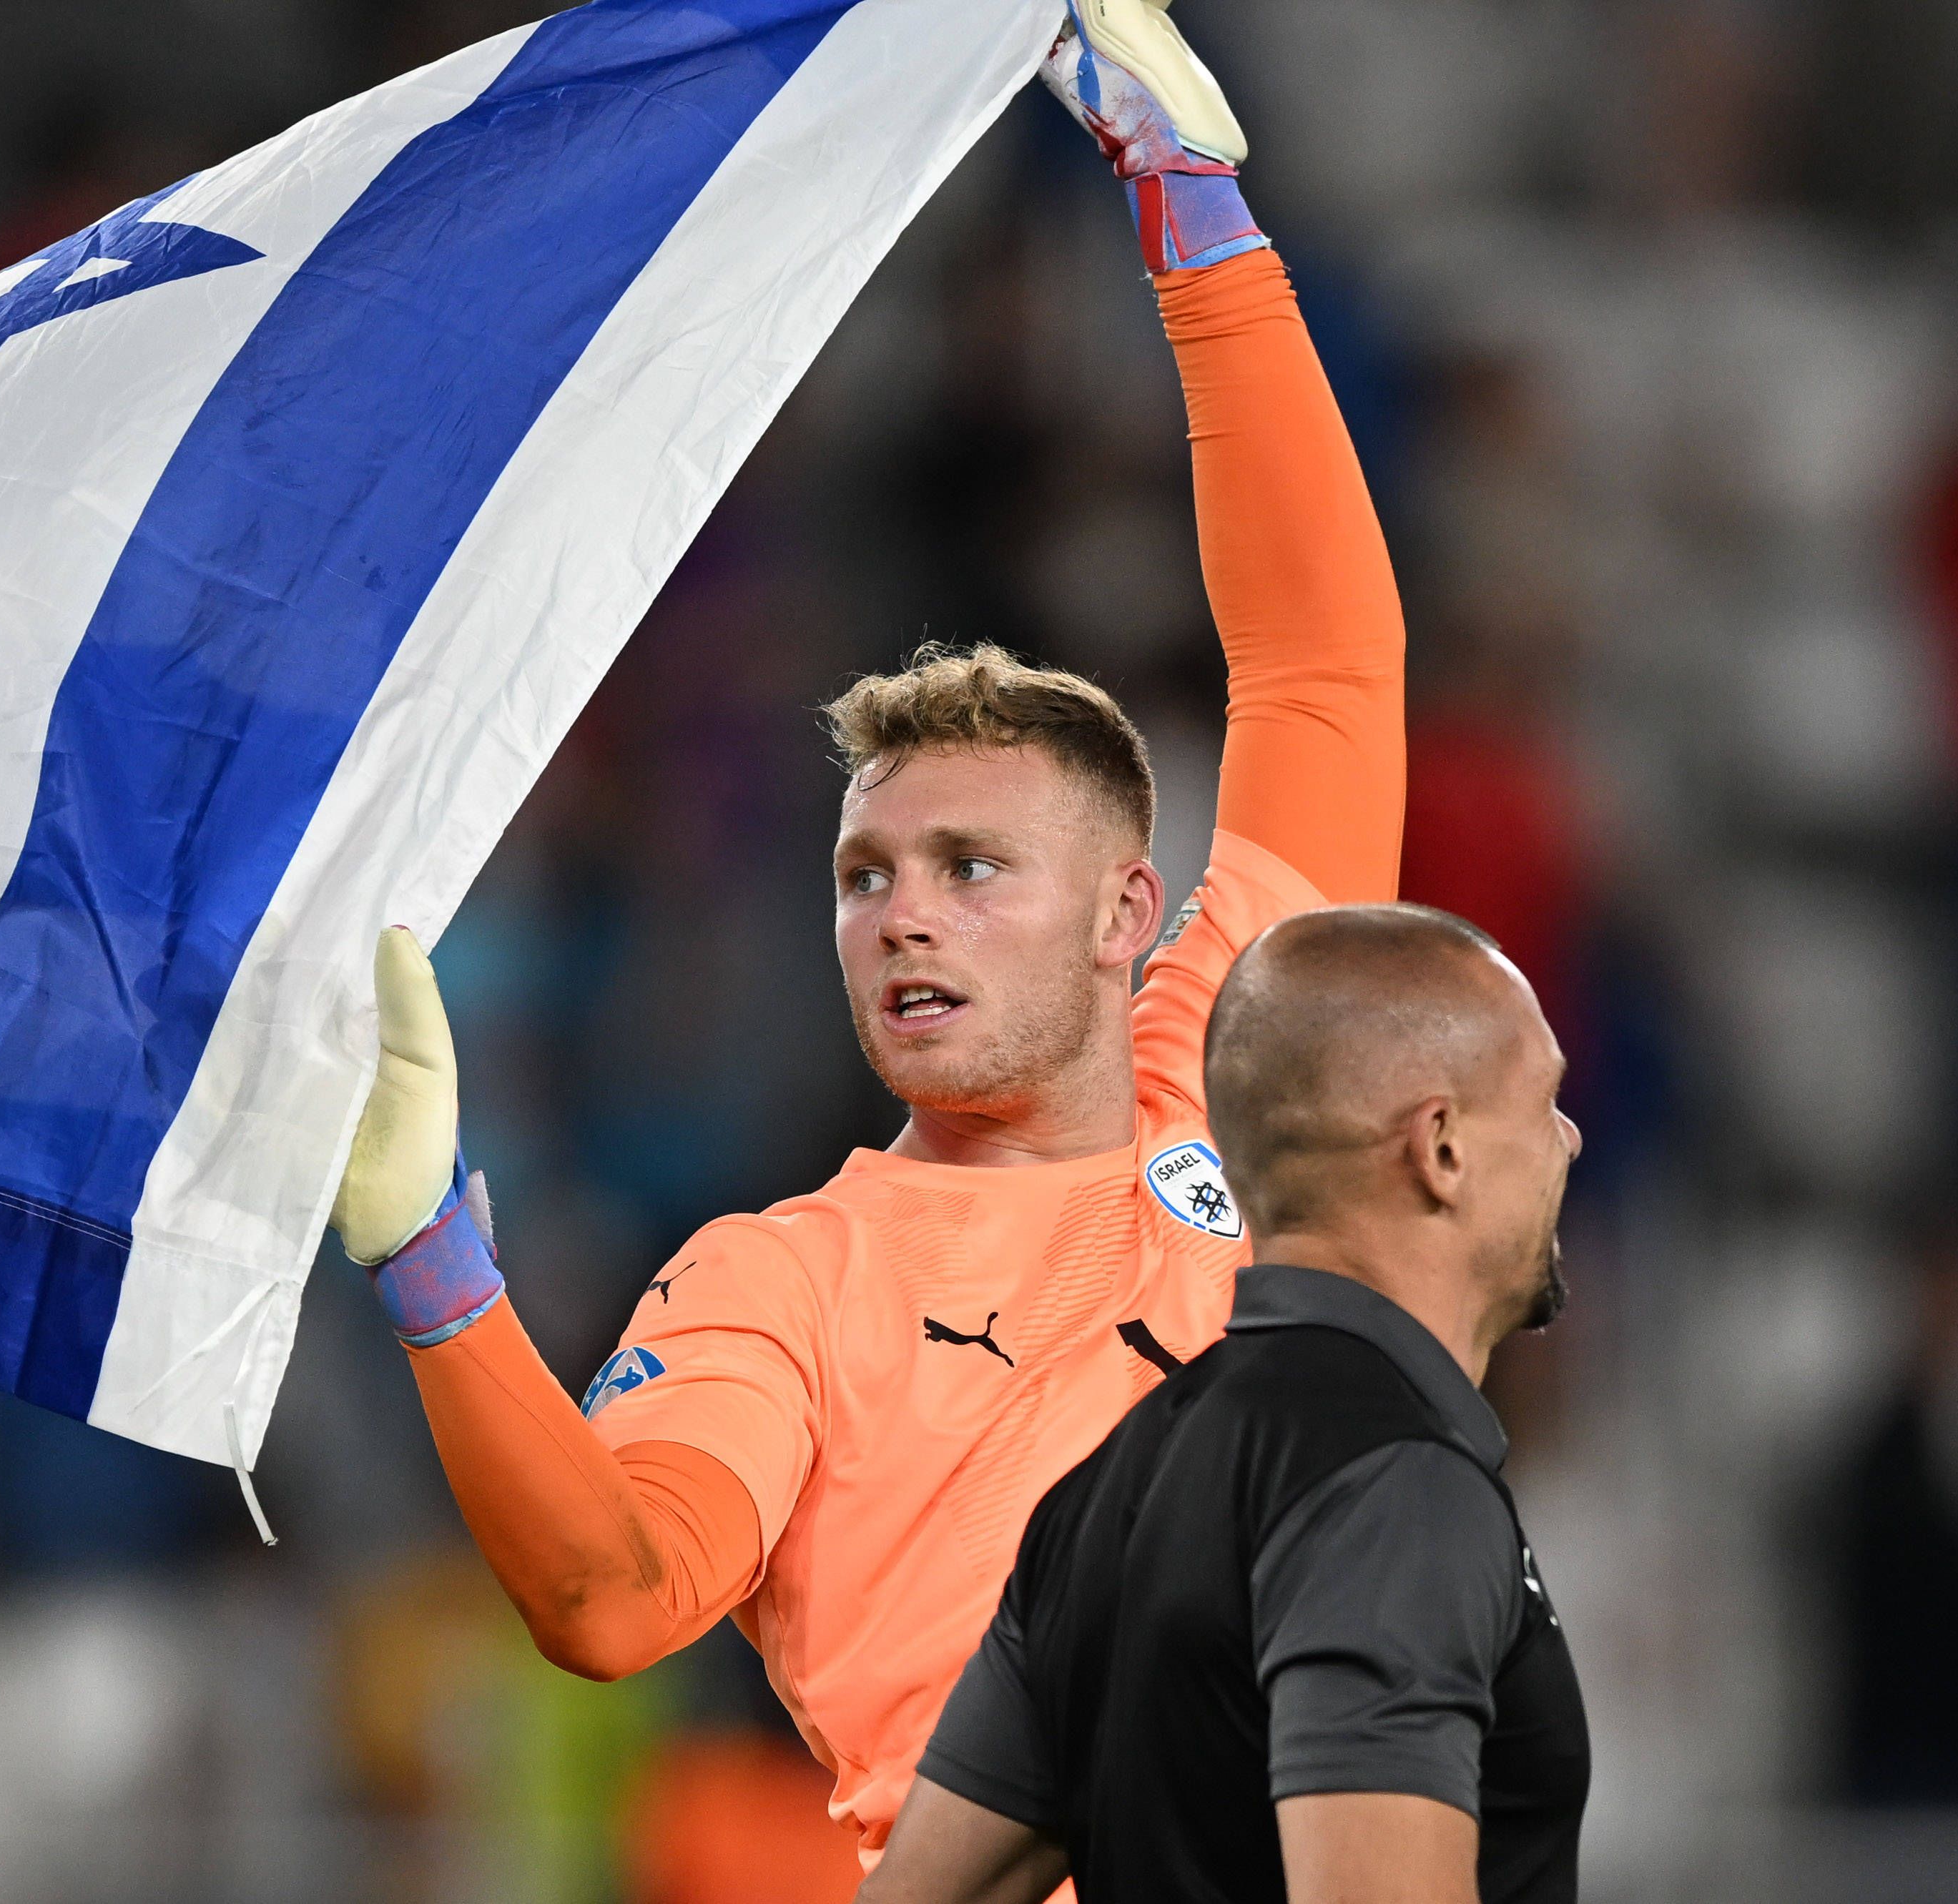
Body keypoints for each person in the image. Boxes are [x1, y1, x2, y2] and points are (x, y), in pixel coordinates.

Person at [330, 0, 1408, 1864]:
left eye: (971, 867)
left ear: (1123, 918)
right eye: (862, 877)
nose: (900, 915)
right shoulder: (785, 1287)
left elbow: (1321, 666)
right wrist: (434, 1274)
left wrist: (1196, 223)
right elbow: (609, 1597)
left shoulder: (1233, 1077)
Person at [865, 904, 1589, 1904]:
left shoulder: (1104, 1484)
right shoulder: (1397, 1486)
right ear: (1442, 1146)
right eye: (1543, 1101)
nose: (1571, 1138)